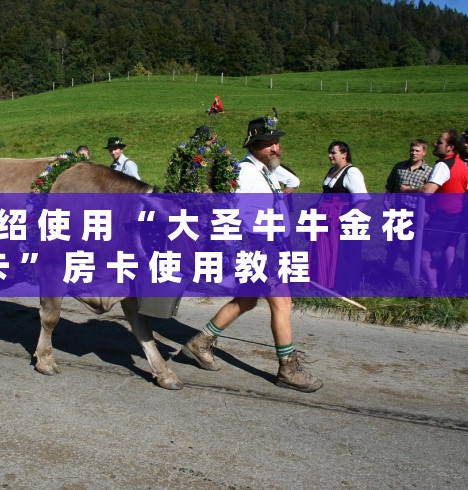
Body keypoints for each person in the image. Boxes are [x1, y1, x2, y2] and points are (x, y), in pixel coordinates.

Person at [180, 116, 322, 393]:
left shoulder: (265, 171)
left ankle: (200, 342)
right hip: (260, 249)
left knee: (246, 300)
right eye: (269, 144)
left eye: (277, 142)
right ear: (254, 146)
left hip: (269, 247)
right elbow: (238, 216)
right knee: (283, 303)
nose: (275, 148)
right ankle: (288, 369)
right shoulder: (246, 173)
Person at [401, 129, 468, 293]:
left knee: (421, 254)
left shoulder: (443, 165)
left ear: (450, 147)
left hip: (442, 217)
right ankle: (450, 292)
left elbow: (428, 191)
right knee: (449, 253)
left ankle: (433, 290)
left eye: (440, 142)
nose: (435, 144)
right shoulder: (461, 165)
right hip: (457, 216)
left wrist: (408, 190)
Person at [308, 141, 370, 290]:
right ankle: (322, 281)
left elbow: (362, 199)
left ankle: (336, 284)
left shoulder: (352, 172)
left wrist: (350, 220)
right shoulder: (332, 170)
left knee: (337, 251)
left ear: (344, 154)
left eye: (333, 152)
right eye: (329, 152)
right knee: (323, 248)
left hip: (339, 217)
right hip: (325, 217)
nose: (330, 155)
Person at [383, 139, 433, 269]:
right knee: (394, 242)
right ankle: (387, 270)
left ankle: (414, 273)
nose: (413, 153)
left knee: (415, 245)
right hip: (400, 211)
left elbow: (430, 194)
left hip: (417, 213)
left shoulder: (429, 171)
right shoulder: (399, 167)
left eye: (417, 151)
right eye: (412, 150)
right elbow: (390, 185)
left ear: (424, 152)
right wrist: (386, 200)